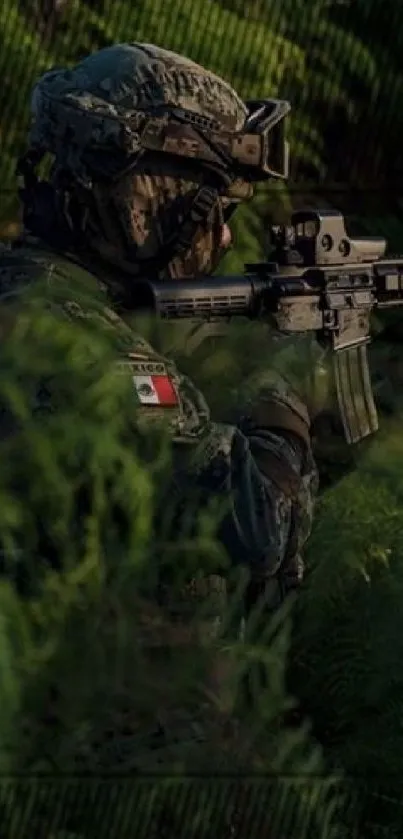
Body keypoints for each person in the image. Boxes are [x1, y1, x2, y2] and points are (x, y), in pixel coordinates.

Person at [4, 42, 318, 619]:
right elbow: (262, 528)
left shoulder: (27, 291)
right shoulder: (80, 345)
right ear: (150, 196)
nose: (223, 237)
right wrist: (283, 388)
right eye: (214, 206)